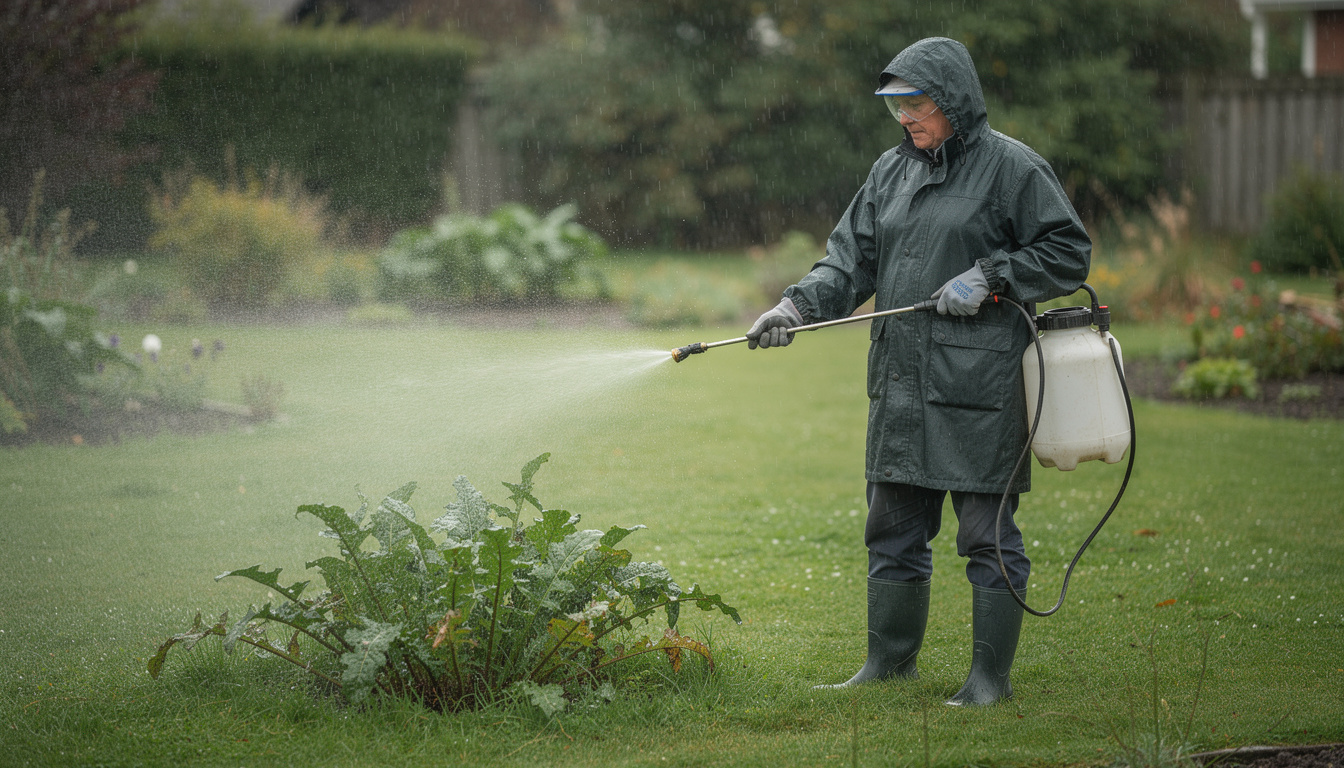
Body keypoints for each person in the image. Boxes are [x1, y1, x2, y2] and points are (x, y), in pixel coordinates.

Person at [746, 37, 1090, 706]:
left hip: (980, 389)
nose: (905, 118)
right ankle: (887, 665)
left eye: (916, 104)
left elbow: (1068, 251)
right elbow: (848, 262)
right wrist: (794, 307)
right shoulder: (889, 172)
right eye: (894, 106)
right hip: (900, 383)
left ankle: (988, 681)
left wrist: (992, 275)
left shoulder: (1013, 168)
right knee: (892, 531)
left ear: (955, 101)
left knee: (986, 536)